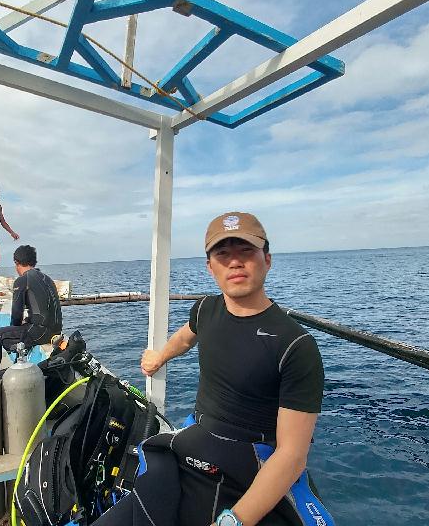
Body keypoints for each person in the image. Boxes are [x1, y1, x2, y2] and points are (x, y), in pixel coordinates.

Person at [131, 211, 333, 526]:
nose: (235, 262)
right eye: (223, 254)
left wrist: (233, 521)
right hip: (194, 447)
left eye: (246, 251)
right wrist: (159, 357)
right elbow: (185, 338)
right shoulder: (206, 309)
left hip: (250, 465)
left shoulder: (295, 345)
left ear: (267, 259)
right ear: (210, 267)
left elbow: (292, 457)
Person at [0, 245, 62, 372]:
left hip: (41, 334)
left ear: (16, 262)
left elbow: (16, 314)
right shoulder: (47, 279)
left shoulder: (22, 280)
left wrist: (13, 331)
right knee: (25, 326)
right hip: (56, 331)